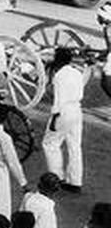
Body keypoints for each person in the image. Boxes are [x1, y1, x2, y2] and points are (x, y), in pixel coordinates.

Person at [41, 46, 84, 193]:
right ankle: (75, 181)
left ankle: (56, 178)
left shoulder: (59, 76)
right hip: (77, 110)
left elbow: (58, 100)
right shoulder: (77, 72)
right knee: (74, 146)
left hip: (63, 111)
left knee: (50, 144)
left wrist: (54, 118)